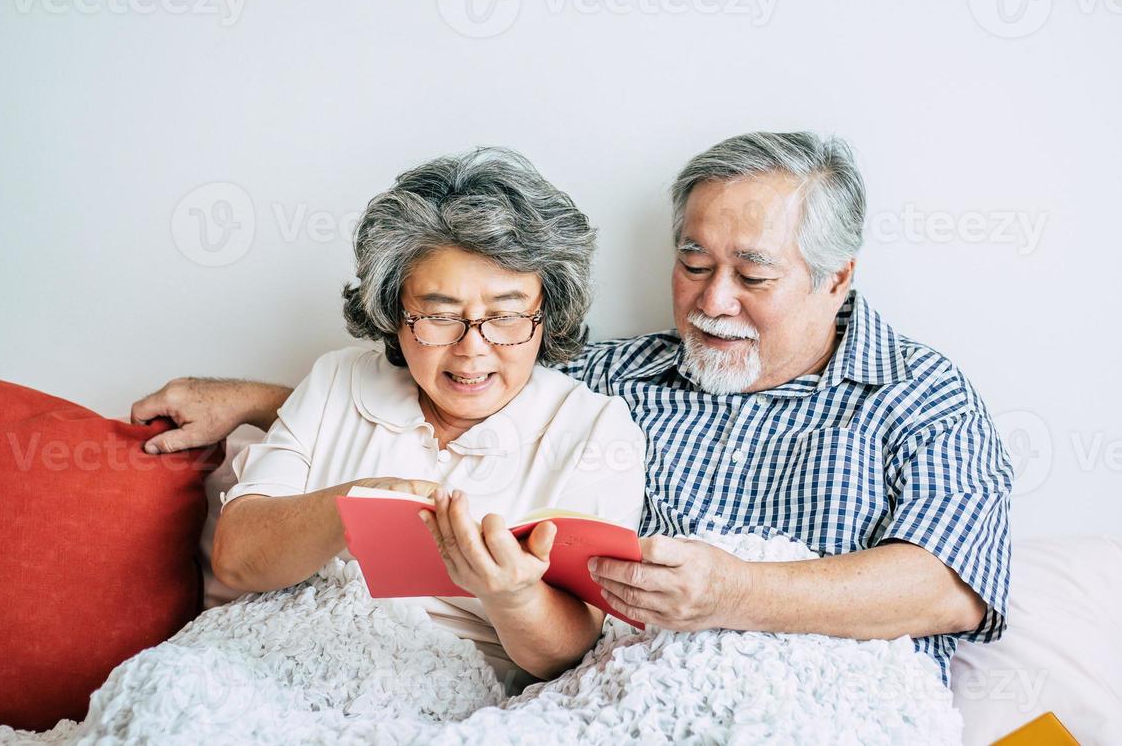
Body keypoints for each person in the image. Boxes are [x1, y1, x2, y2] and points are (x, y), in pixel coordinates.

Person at [140, 132, 1012, 684]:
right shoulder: (622, 375)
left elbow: (948, 588)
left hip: (820, 696)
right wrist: (258, 402)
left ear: (838, 277)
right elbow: (458, 381)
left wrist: (733, 592)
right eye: (693, 262)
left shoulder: (921, 396)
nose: (712, 300)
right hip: (628, 695)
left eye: (752, 273)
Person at [208, 148, 645, 688]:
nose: (472, 351)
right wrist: (356, 503)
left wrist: (510, 593)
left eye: (506, 317)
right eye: (439, 317)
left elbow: (565, 656)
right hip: (267, 657)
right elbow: (236, 559)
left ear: (547, 312)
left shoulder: (595, 429)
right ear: (393, 314)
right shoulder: (337, 381)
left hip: (441, 687)